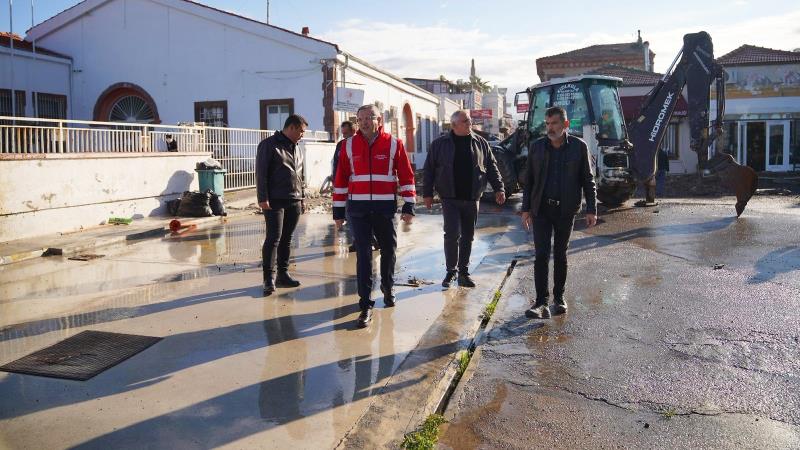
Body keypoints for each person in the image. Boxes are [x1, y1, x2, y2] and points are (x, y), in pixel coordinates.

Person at [332, 104, 416, 328]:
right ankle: (365, 304)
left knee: (388, 249)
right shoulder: (348, 145)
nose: (364, 122)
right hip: (358, 210)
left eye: (369, 118)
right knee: (363, 255)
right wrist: (338, 210)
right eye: (360, 119)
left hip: (384, 208)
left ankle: (388, 287)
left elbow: (406, 174)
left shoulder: (394, 143)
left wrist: (409, 204)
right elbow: (341, 178)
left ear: (379, 120)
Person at [520, 106, 597, 319]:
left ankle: (559, 298)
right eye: (547, 123)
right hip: (541, 210)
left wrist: (591, 209)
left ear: (565, 124)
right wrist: (526, 209)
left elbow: (588, 179)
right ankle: (540, 302)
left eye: (554, 123)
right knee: (541, 255)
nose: (550, 128)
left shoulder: (579, 147)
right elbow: (529, 181)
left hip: (566, 210)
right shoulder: (537, 147)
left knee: (561, 254)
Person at [423, 110, 505, 288]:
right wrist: (427, 193)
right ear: (454, 125)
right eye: (465, 121)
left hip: (472, 197)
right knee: (452, 234)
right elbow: (429, 169)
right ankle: (451, 271)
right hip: (449, 197)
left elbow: (492, 166)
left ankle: (464, 273)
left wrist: (499, 188)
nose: (470, 123)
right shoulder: (439, 144)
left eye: (469, 120)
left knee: (468, 236)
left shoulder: (481, 143)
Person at [256, 114, 308, 296]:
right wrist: (262, 198)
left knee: (287, 238)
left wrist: (302, 197)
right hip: (274, 200)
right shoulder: (269, 145)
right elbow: (261, 173)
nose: (302, 135)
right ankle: (268, 278)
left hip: (294, 199)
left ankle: (283, 274)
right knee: (273, 238)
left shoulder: (297, 147)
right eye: (301, 131)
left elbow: (300, 174)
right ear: (291, 127)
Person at [332, 120, 378, 253]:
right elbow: (337, 165)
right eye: (342, 133)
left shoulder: (362, 144)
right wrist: (336, 183)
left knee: (365, 215)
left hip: (359, 187)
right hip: (344, 187)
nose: (344, 136)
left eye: (346, 133)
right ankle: (358, 240)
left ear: (353, 131)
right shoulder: (341, 145)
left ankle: (371, 239)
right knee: (350, 215)